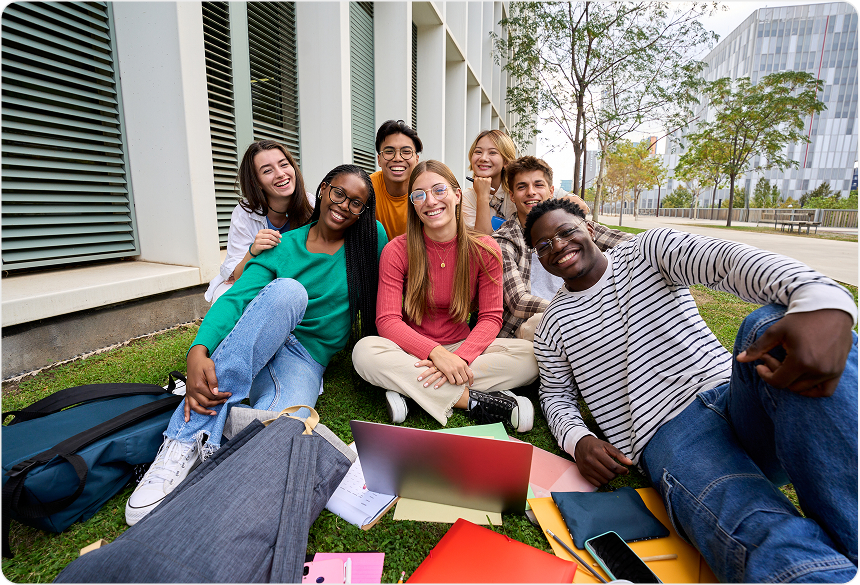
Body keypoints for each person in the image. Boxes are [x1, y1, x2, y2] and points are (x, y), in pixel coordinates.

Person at [525, 198, 858, 582]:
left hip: (741, 398)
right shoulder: (552, 323)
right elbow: (555, 396)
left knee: (768, 323)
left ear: (590, 227)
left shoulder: (647, 251)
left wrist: (820, 301)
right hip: (668, 435)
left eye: (566, 231)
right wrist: (578, 439)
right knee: (755, 524)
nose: (558, 245)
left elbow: (727, 261)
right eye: (544, 244)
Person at [126, 164, 387, 526]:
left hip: (304, 359)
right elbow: (236, 300)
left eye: (356, 203)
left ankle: (217, 444)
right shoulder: (283, 246)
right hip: (261, 333)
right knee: (288, 291)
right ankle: (183, 439)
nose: (344, 205)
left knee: (284, 428)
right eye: (339, 193)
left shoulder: (370, 239)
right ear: (324, 190)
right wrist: (198, 350)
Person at [352, 160, 539, 432]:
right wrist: (436, 353)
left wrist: (460, 358)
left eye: (439, 190)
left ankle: (412, 392)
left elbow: (490, 317)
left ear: (457, 195)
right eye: (420, 195)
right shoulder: (396, 250)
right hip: (409, 351)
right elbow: (388, 321)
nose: (430, 201)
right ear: (413, 205)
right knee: (365, 352)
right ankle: (475, 401)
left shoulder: (485, 248)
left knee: (532, 356)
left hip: (463, 350)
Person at [493, 156, 632, 339]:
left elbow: (631, 243)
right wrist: (579, 308)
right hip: (531, 326)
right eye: (522, 186)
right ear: (512, 195)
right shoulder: (503, 240)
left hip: (586, 315)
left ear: (551, 191)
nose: (531, 192)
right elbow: (519, 301)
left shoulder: (572, 223)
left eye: (538, 185)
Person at [205, 140, 315, 303]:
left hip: (300, 280)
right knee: (223, 296)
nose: (280, 174)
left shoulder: (311, 205)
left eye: (283, 164)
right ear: (256, 182)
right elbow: (237, 276)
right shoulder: (245, 213)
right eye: (267, 170)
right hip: (259, 279)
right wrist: (253, 250)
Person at [370, 119, 423, 240]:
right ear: (379, 159)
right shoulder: (367, 189)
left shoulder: (426, 191)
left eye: (406, 152)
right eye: (389, 151)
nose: (398, 158)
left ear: (416, 159)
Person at [461, 129, 517, 234]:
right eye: (478, 152)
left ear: (506, 161)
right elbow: (482, 242)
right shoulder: (466, 197)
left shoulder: (516, 194)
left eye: (492, 152)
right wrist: (482, 195)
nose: (483, 158)